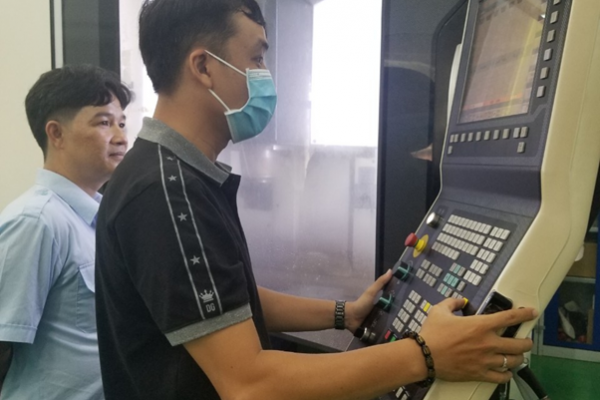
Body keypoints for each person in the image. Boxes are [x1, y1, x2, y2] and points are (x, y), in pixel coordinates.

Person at [94, 1, 536, 399]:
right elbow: (250, 384)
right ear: (204, 67)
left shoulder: (176, 175)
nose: (266, 75)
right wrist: (425, 354)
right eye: (256, 58)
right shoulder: (165, 192)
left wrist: (345, 313)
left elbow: (226, 302)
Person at [0, 64, 130, 399]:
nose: (121, 137)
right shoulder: (37, 221)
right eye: (104, 122)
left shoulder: (103, 219)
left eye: (122, 123)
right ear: (56, 133)